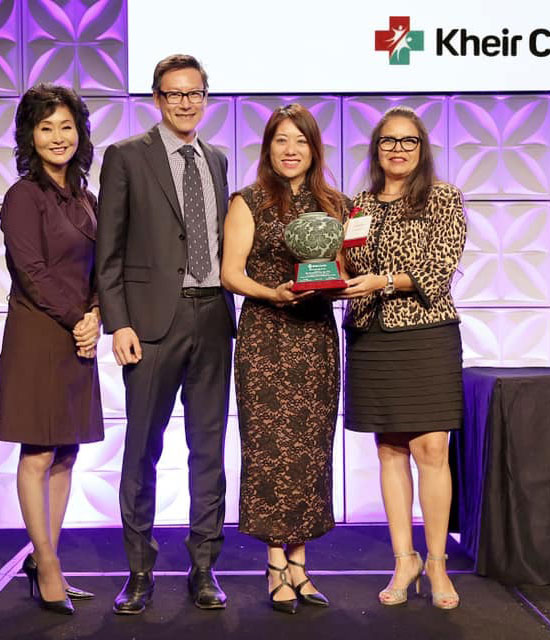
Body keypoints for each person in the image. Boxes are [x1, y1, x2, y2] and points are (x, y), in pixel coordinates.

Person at [96, 54, 235, 614]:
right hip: (151, 323)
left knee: (209, 449)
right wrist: (118, 321)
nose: (185, 102)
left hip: (212, 317)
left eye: (194, 93)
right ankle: (139, 569)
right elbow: (108, 253)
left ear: (206, 98)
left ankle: (204, 567)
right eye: (174, 93)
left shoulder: (218, 160)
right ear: (156, 98)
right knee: (141, 450)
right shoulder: (126, 157)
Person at [221, 104, 349, 614]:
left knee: (311, 451)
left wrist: (341, 284)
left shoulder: (335, 204)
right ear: (268, 148)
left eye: (300, 140)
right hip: (267, 337)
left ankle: (301, 564)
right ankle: (275, 562)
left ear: (314, 149)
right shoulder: (247, 200)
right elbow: (231, 273)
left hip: (316, 337)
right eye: (281, 140)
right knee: (271, 450)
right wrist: (271, 293)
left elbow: (342, 268)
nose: (291, 149)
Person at [340, 106, 466, 609]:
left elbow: (441, 262)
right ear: (376, 148)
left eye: (408, 141)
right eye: (388, 140)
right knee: (390, 448)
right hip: (372, 335)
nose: (398, 149)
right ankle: (403, 559)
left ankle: (436, 563)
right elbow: (348, 262)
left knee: (431, 448)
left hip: (427, 331)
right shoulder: (360, 205)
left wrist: (386, 280)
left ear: (422, 148)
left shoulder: (443, 197)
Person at [0, 84, 103, 615]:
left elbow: (104, 268)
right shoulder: (22, 196)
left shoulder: (87, 197)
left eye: (66, 126)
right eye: (46, 127)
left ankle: (47, 557)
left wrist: (98, 315)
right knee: (38, 450)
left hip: (79, 334)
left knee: (67, 450)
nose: (58, 137)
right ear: (29, 136)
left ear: (79, 132)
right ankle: (46, 562)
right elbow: (32, 273)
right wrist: (79, 319)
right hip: (38, 335)